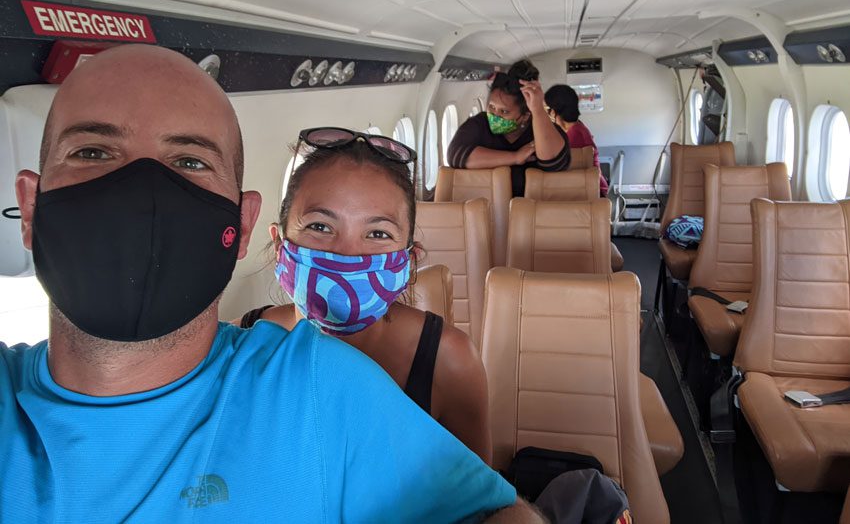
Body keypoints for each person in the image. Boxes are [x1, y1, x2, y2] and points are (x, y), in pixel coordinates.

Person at [2, 45, 544, 523]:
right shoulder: (274, 337)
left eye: (189, 161)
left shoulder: (318, 381)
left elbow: (486, 503)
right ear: (29, 207)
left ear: (237, 227)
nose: (140, 197)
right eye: (93, 152)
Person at [236, 127, 491, 462]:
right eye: (320, 227)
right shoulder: (240, 344)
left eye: (377, 233)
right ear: (279, 244)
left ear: (407, 263)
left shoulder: (450, 362)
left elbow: (484, 507)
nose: (346, 255)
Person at [447, 60, 570, 196]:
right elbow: (456, 155)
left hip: (533, 209)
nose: (495, 115)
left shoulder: (542, 128)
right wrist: (515, 157)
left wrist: (537, 109)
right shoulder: (479, 124)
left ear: (525, 116)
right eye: (492, 107)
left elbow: (553, 163)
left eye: (504, 112)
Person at [544, 84, 609, 197]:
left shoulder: (576, 134)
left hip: (594, 190)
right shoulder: (575, 127)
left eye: (547, 110)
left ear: (554, 112)